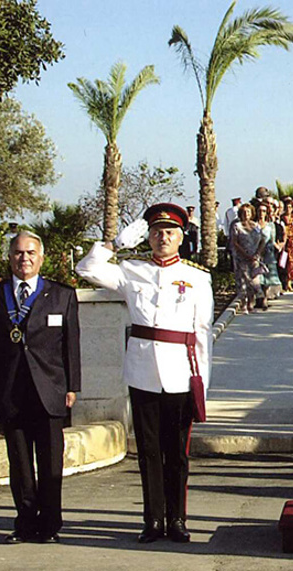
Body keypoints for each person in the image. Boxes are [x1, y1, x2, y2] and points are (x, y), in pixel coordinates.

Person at [76, 203, 213, 544]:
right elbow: (86, 269)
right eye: (156, 232)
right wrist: (114, 245)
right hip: (142, 371)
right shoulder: (131, 270)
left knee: (177, 453)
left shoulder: (198, 278)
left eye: (169, 232)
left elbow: (203, 333)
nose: (162, 238)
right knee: (149, 450)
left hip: (181, 372)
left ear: (181, 237)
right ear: (148, 236)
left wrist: (202, 384)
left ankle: (177, 519)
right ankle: (153, 521)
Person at [0, 231, 82, 545]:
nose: (25, 258)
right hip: (10, 388)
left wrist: (73, 385)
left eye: (31, 253)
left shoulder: (62, 295)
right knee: (19, 462)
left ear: (42, 257)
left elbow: (71, 346)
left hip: (50, 389)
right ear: (10, 257)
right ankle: (24, 523)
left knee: (51, 462)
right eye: (19, 253)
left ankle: (49, 525)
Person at [230, 203, 265, 314]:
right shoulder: (237, 226)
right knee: (243, 281)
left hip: (254, 258)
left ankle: (251, 304)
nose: (246, 214)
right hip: (242, 258)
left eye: (248, 212)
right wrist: (245, 255)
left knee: (253, 282)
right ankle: (244, 305)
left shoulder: (256, 226)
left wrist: (257, 253)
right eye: (244, 212)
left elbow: (263, 240)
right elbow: (235, 242)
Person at [256, 201, 283, 302]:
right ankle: (260, 296)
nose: (261, 213)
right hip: (257, 252)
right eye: (259, 211)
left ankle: (265, 298)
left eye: (263, 211)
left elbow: (272, 239)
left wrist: (278, 248)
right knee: (258, 276)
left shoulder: (270, 225)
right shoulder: (254, 225)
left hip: (268, 252)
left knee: (268, 274)